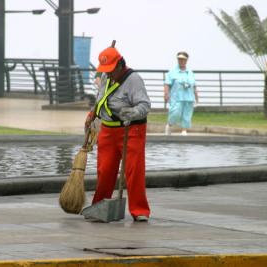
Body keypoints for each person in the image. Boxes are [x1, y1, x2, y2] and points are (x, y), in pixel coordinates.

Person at [85, 45, 151, 222]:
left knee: (133, 171)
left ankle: (139, 210)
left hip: (131, 130)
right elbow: (102, 99)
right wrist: (92, 114)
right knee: (104, 171)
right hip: (107, 130)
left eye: (111, 69)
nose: (108, 73)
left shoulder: (134, 79)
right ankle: (99, 206)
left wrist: (132, 113)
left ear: (121, 65)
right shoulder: (107, 77)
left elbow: (144, 105)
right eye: (105, 70)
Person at [163, 51, 199, 136]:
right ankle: (169, 125)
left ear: (186, 60)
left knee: (187, 114)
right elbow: (167, 84)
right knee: (175, 113)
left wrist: (197, 98)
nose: (181, 61)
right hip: (176, 97)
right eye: (179, 59)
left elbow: (194, 86)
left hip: (189, 97)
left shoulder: (190, 73)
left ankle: (184, 130)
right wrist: (166, 94)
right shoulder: (172, 72)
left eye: (183, 59)